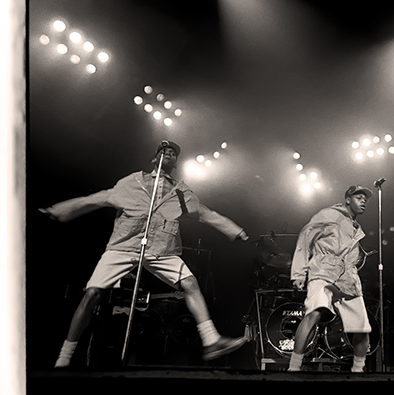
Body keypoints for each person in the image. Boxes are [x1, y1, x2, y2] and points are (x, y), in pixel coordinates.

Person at [40, 141, 249, 368]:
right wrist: (61, 210)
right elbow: (98, 198)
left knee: (190, 282)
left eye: (172, 153)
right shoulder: (132, 182)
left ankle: (211, 341)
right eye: (163, 151)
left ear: (176, 163)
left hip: (161, 249)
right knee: (92, 294)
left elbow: (206, 213)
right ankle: (64, 357)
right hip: (124, 246)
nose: (168, 154)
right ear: (154, 159)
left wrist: (234, 230)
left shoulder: (181, 192)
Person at [287, 185, 373, 373]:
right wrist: (299, 273)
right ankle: (293, 368)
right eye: (359, 197)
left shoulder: (356, 227)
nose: (364, 201)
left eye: (365, 199)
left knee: (363, 328)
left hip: (348, 278)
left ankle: (358, 371)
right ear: (347, 199)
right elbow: (305, 237)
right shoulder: (328, 215)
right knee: (315, 312)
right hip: (323, 271)